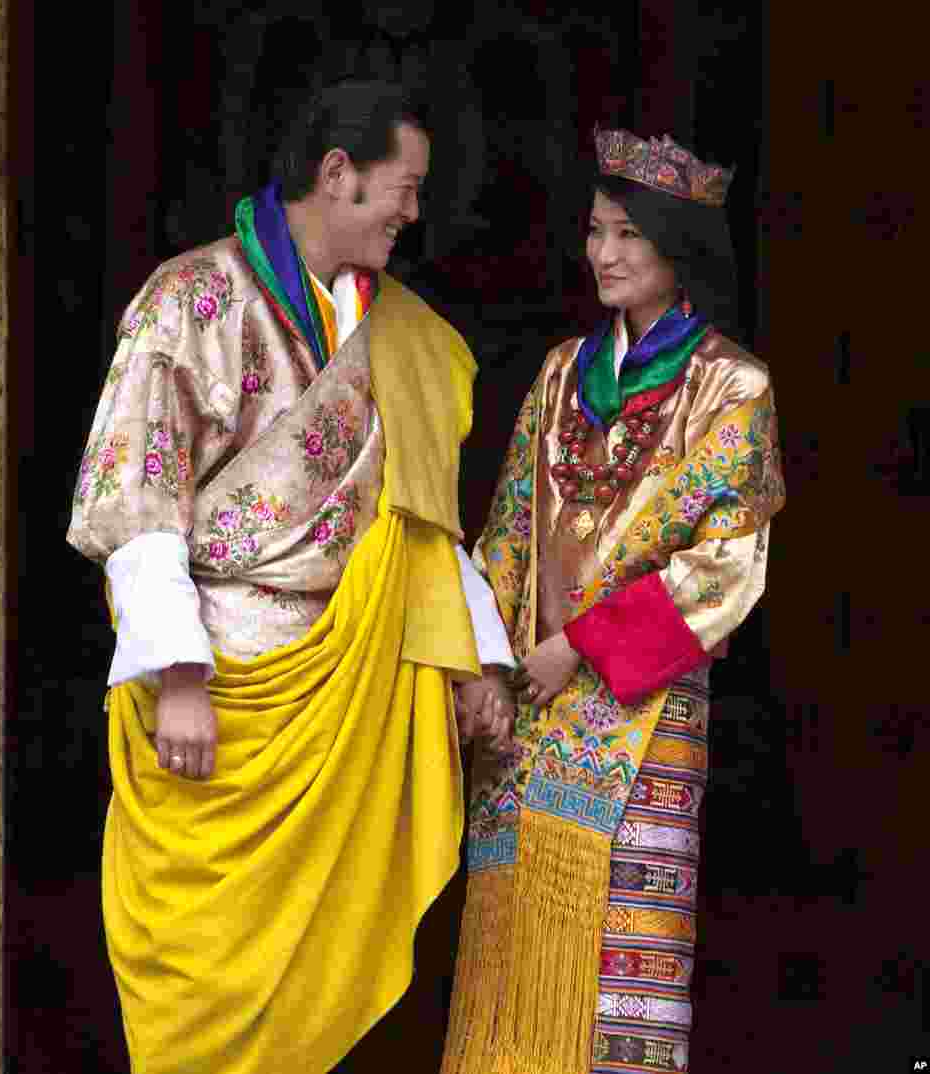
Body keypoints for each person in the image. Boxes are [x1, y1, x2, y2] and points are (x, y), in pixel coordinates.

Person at [66, 80, 516, 1074]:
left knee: (325, 975)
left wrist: (475, 654)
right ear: (336, 175)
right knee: (207, 976)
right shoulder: (190, 299)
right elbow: (136, 499)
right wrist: (179, 674)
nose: (412, 211)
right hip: (221, 684)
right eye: (402, 189)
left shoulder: (408, 336)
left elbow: (421, 521)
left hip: (346, 690)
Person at [440, 127, 786, 1074]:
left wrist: (581, 648)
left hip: (643, 705)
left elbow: (728, 569)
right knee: (511, 971)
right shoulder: (559, 374)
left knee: (620, 972)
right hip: (529, 706)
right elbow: (508, 533)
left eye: (629, 234)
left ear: (679, 247)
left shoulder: (732, 388)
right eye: (595, 231)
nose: (605, 253)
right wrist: (492, 671)